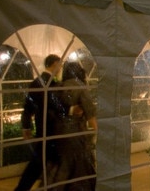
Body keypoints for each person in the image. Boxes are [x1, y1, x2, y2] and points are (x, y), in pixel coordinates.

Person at [15, 54, 65, 191]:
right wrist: (71, 110)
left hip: (42, 129)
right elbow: (56, 106)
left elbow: (27, 108)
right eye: (60, 65)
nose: (61, 68)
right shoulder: (51, 84)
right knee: (38, 164)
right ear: (55, 64)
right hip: (53, 130)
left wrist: (26, 126)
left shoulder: (36, 82)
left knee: (47, 163)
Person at [49, 61, 98, 190]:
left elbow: (52, 110)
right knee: (81, 168)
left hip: (58, 133)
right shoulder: (80, 87)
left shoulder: (58, 87)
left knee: (64, 167)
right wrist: (97, 130)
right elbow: (90, 113)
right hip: (76, 134)